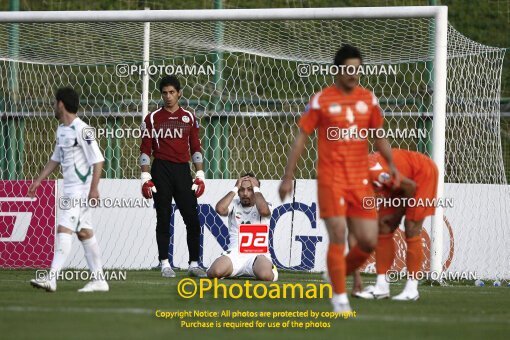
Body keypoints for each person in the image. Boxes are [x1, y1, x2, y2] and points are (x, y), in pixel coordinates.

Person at [279, 44, 399, 312]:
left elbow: (379, 134)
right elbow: (302, 137)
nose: (353, 74)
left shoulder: (369, 99)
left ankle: (337, 271)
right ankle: (340, 296)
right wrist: (288, 176)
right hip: (331, 181)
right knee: (338, 234)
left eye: (357, 69)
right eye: (347, 69)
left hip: (360, 182)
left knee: (368, 241)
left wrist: (391, 165)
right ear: (337, 71)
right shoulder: (321, 99)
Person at [29, 87, 108, 292]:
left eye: (55, 102)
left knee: (64, 228)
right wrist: (38, 180)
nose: (53, 106)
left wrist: (94, 189)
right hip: (70, 189)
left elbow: (98, 160)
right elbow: (55, 159)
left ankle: (51, 278)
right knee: (84, 233)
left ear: (61, 104)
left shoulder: (83, 129)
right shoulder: (62, 130)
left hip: (79, 192)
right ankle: (99, 280)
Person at [140, 75, 206, 278]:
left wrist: (200, 174)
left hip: (182, 171)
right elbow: (145, 149)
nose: (168, 96)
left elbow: (195, 146)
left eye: (172, 92)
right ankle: (165, 263)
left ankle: (194, 264)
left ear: (179, 93)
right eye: (164, 93)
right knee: (163, 217)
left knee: (192, 219)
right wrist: (145, 177)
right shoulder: (152, 118)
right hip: (161, 170)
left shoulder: (189, 117)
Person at [356, 148, 438, 301]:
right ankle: (381, 287)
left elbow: (410, 187)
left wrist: (399, 211)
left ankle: (412, 290)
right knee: (383, 226)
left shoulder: (376, 173)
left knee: (411, 227)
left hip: (422, 173)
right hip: (399, 181)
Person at [207, 173, 278, 281]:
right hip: (235, 254)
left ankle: (272, 270)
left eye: (250, 189)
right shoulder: (234, 204)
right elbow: (220, 209)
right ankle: (232, 270)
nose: (245, 193)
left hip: (258, 254)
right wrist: (235, 188)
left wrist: (256, 189)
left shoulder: (266, 205)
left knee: (265, 275)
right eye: (242, 189)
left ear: (256, 190)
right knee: (215, 272)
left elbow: (264, 211)